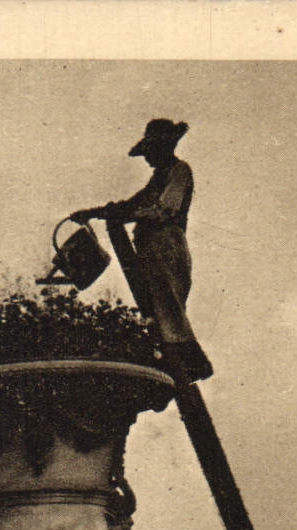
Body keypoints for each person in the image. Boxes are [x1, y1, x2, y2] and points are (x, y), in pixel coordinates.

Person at [72, 118, 213, 382]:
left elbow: (165, 210)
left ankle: (192, 360)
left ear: (163, 148)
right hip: (149, 247)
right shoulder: (156, 179)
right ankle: (176, 356)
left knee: (168, 303)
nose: (147, 158)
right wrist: (95, 213)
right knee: (157, 303)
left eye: (150, 151)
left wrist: (124, 214)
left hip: (166, 243)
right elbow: (130, 205)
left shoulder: (179, 171)